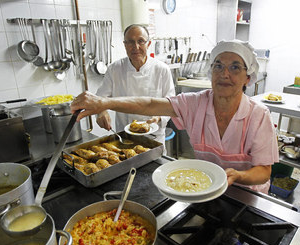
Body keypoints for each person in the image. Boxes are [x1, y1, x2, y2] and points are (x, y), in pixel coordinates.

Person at [71, 40, 279, 194]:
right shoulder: (196, 103)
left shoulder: (258, 116)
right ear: (211, 72)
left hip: (247, 196)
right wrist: (104, 102)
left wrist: (238, 175)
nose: (224, 74)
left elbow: (263, 170)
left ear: (248, 77)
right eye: (218, 66)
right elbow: (151, 104)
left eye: (234, 67)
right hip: (205, 190)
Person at [95, 24, 175, 145]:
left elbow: (171, 104)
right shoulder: (115, 69)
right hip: (125, 137)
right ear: (125, 45)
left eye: (141, 41)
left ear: (148, 44)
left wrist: (158, 118)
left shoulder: (162, 69)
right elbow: (100, 98)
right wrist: (101, 111)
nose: (136, 47)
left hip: (154, 138)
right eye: (130, 42)